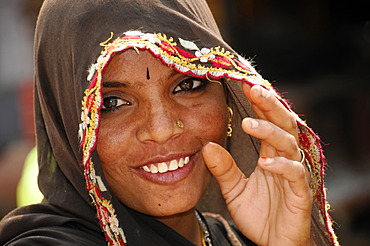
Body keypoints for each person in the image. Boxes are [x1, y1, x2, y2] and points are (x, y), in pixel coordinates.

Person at [0, 0, 339, 245]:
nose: (161, 129)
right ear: (67, 119)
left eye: (187, 85)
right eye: (112, 103)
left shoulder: (233, 237)